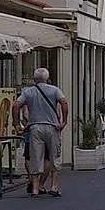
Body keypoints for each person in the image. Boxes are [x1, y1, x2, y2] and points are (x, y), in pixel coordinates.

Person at [14, 67, 68, 197]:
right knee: (54, 156)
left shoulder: (28, 92)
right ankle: (54, 187)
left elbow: (16, 105)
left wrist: (16, 124)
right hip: (52, 127)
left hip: (35, 127)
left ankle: (35, 189)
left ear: (34, 79)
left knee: (35, 157)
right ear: (47, 78)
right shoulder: (55, 90)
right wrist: (64, 121)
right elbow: (64, 102)